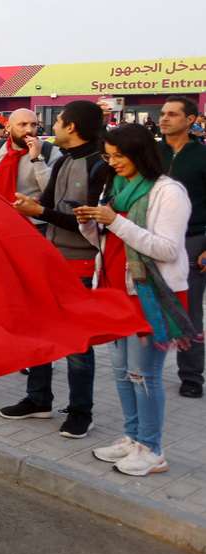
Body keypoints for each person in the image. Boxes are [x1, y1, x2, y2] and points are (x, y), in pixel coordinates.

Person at [76, 124, 194, 476]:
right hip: (116, 291)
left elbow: (168, 249)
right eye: (108, 156)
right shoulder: (119, 188)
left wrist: (114, 221)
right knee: (122, 372)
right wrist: (90, 223)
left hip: (149, 294)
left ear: (139, 153)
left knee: (146, 375)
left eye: (119, 156)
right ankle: (132, 437)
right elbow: (107, 241)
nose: (113, 163)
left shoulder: (168, 192)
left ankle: (153, 449)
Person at [0, 101, 111, 438]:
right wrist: (28, 208)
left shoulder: (99, 166)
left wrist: (39, 211)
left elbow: (90, 223)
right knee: (40, 331)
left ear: (72, 127)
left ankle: (80, 411)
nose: (52, 126)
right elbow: (47, 204)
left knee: (77, 341)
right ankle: (38, 398)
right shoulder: (62, 162)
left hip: (81, 265)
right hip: (49, 259)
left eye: (58, 120)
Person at [158, 96, 206, 398]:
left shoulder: (201, 156)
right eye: (163, 113)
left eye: (172, 114)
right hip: (151, 240)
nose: (164, 119)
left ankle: (191, 376)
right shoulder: (151, 154)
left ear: (190, 119)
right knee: (147, 306)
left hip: (193, 240)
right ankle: (142, 367)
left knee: (187, 311)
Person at [0, 108, 61, 234]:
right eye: (22, 124)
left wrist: (37, 159)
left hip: (37, 227)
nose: (29, 130)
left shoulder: (51, 152)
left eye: (33, 125)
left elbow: (55, 192)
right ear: (8, 127)